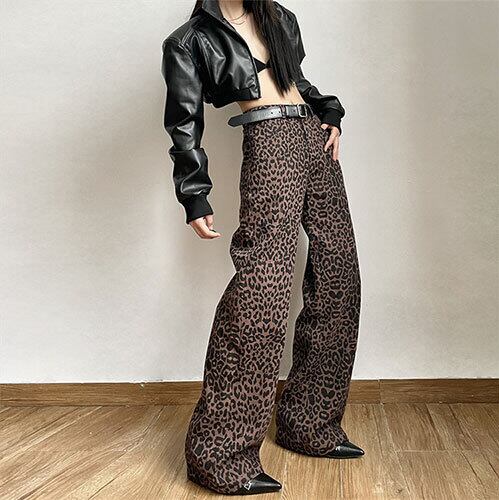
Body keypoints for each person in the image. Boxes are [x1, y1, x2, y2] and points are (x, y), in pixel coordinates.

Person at [161, 0, 363, 495]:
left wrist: (329, 114)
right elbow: (183, 122)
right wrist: (194, 194)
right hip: (269, 140)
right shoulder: (189, 41)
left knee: (339, 277)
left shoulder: (279, 18)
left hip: (313, 140)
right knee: (262, 293)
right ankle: (220, 455)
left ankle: (309, 424)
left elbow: (298, 83)